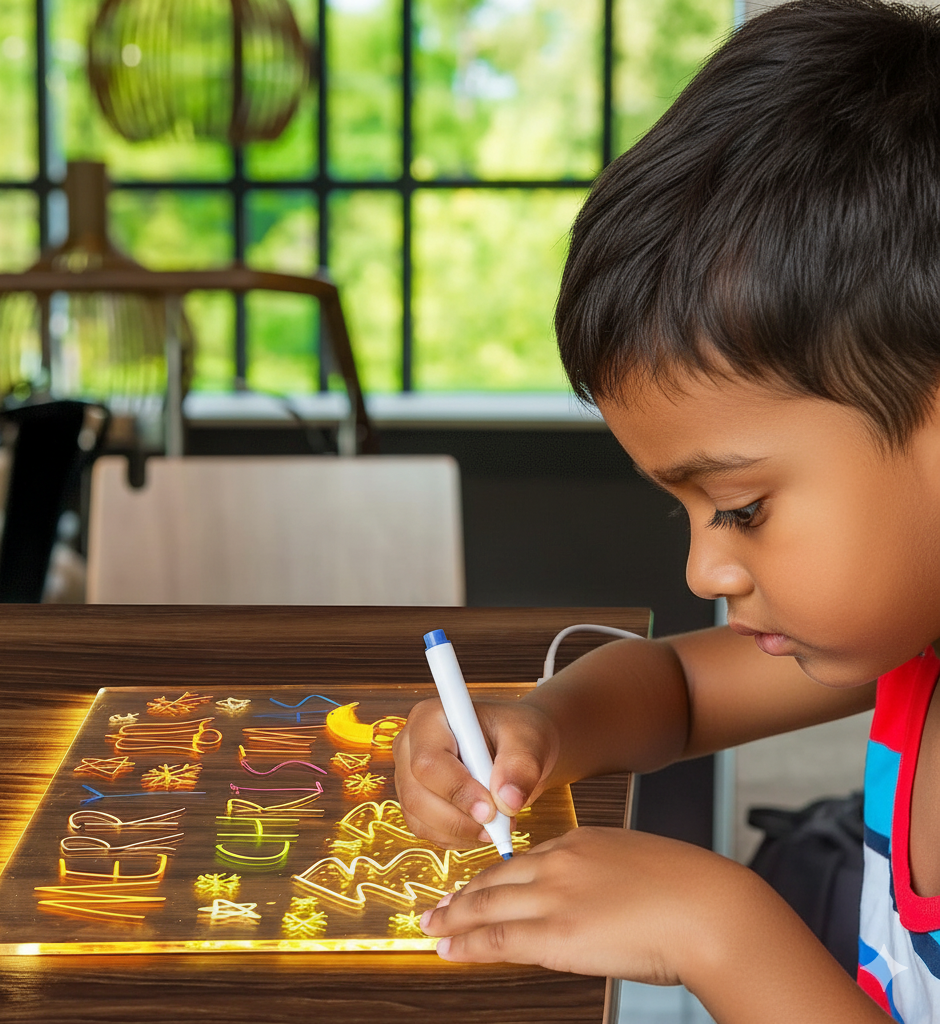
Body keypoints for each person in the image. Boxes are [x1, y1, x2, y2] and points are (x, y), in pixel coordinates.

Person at [393, 2, 940, 1021]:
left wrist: (716, 927)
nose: (704, 571)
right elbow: (679, 692)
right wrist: (537, 730)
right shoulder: (912, 643)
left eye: (740, 505)